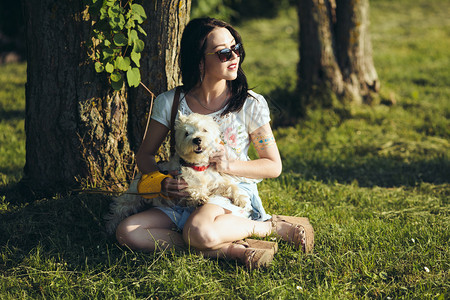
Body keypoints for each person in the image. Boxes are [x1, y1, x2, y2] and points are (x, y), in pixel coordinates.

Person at [115, 17, 313, 269]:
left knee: (198, 230)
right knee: (127, 232)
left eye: (236, 48)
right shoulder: (171, 102)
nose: (235, 56)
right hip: (182, 195)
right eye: (223, 53)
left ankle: (271, 227)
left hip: (226, 194)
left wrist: (229, 165)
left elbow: (273, 166)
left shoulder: (249, 104)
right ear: (200, 61)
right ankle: (225, 248)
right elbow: (145, 155)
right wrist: (161, 182)